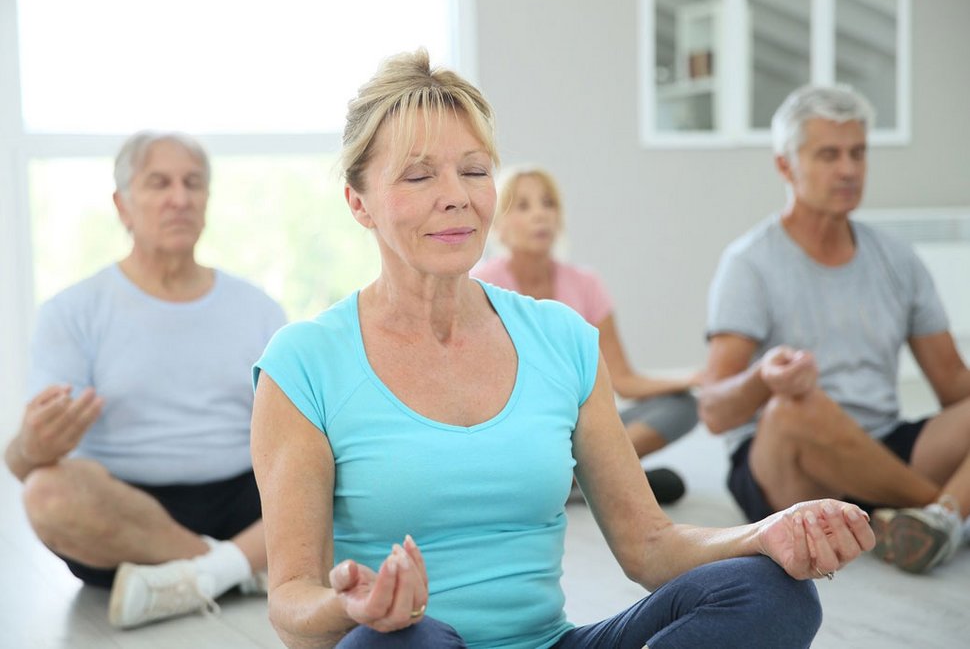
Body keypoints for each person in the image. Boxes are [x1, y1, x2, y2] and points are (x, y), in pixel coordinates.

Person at [249, 49, 874, 649]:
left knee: (769, 591)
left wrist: (765, 532)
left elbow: (649, 545)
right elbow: (292, 605)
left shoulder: (563, 336)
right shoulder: (303, 363)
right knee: (405, 640)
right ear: (358, 201)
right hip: (408, 643)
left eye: (473, 170)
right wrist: (351, 606)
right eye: (418, 175)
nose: (457, 195)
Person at [4, 131, 287, 628]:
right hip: (121, 517)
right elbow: (22, 463)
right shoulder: (72, 312)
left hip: (247, 503)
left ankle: (204, 573)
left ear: (207, 200)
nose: (179, 198)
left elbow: (294, 437)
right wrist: (33, 444)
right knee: (46, 493)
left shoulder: (258, 309)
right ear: (123, 204)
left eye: (193, 183)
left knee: (341, 460)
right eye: (159, 183)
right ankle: (236, 568)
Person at [700, 83, 970, 575]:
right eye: (828, 154)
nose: (848, 169)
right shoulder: (749, 263)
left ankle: (930, 518)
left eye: (858, 153)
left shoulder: (898, 259)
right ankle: (948, 510)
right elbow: (714, 411)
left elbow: (954, 385)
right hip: (786, 467)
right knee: (794, 410)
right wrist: (763, 379)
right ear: (786, 165)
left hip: (885, 442)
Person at [472, 166, 699, 504]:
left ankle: (571, 478)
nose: (540, 215)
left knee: (682, 406)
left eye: (548, 203)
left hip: (582, 429)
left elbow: (623, 379)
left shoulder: (587, 284)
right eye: (523, 206)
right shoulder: (480, 286)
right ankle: (589, 478)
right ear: (499, 225)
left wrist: (693, 378)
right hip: (520, 430)